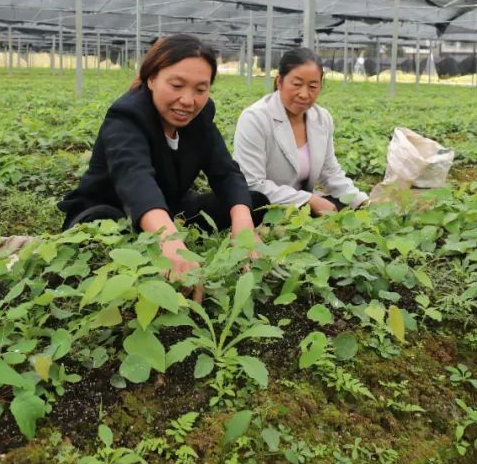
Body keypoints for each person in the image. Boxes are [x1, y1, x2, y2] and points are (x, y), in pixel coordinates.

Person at [58, 35, 266, 282]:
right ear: (152, 79)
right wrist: (170, 242)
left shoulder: (200, 117)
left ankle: (168, 230)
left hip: (170, 209)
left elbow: (226, 173)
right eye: (177, 86)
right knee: (106, 228)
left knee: (252, 202)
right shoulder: (127, 116)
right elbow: (135, 179)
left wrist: (243, 225)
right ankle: (162, 239)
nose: (188, 101)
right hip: (112, 209)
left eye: (200, 89)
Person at [233, 47, 367, 214]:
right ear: (279, 82)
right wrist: (308, 200)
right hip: (267, 206)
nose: (304, 94)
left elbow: (330, 172)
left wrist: (361, 201)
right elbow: (251, 183)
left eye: (312, 86)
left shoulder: (322, 118)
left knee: (348, 210)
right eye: (296, 84)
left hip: (304, 206)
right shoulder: (255, 118)